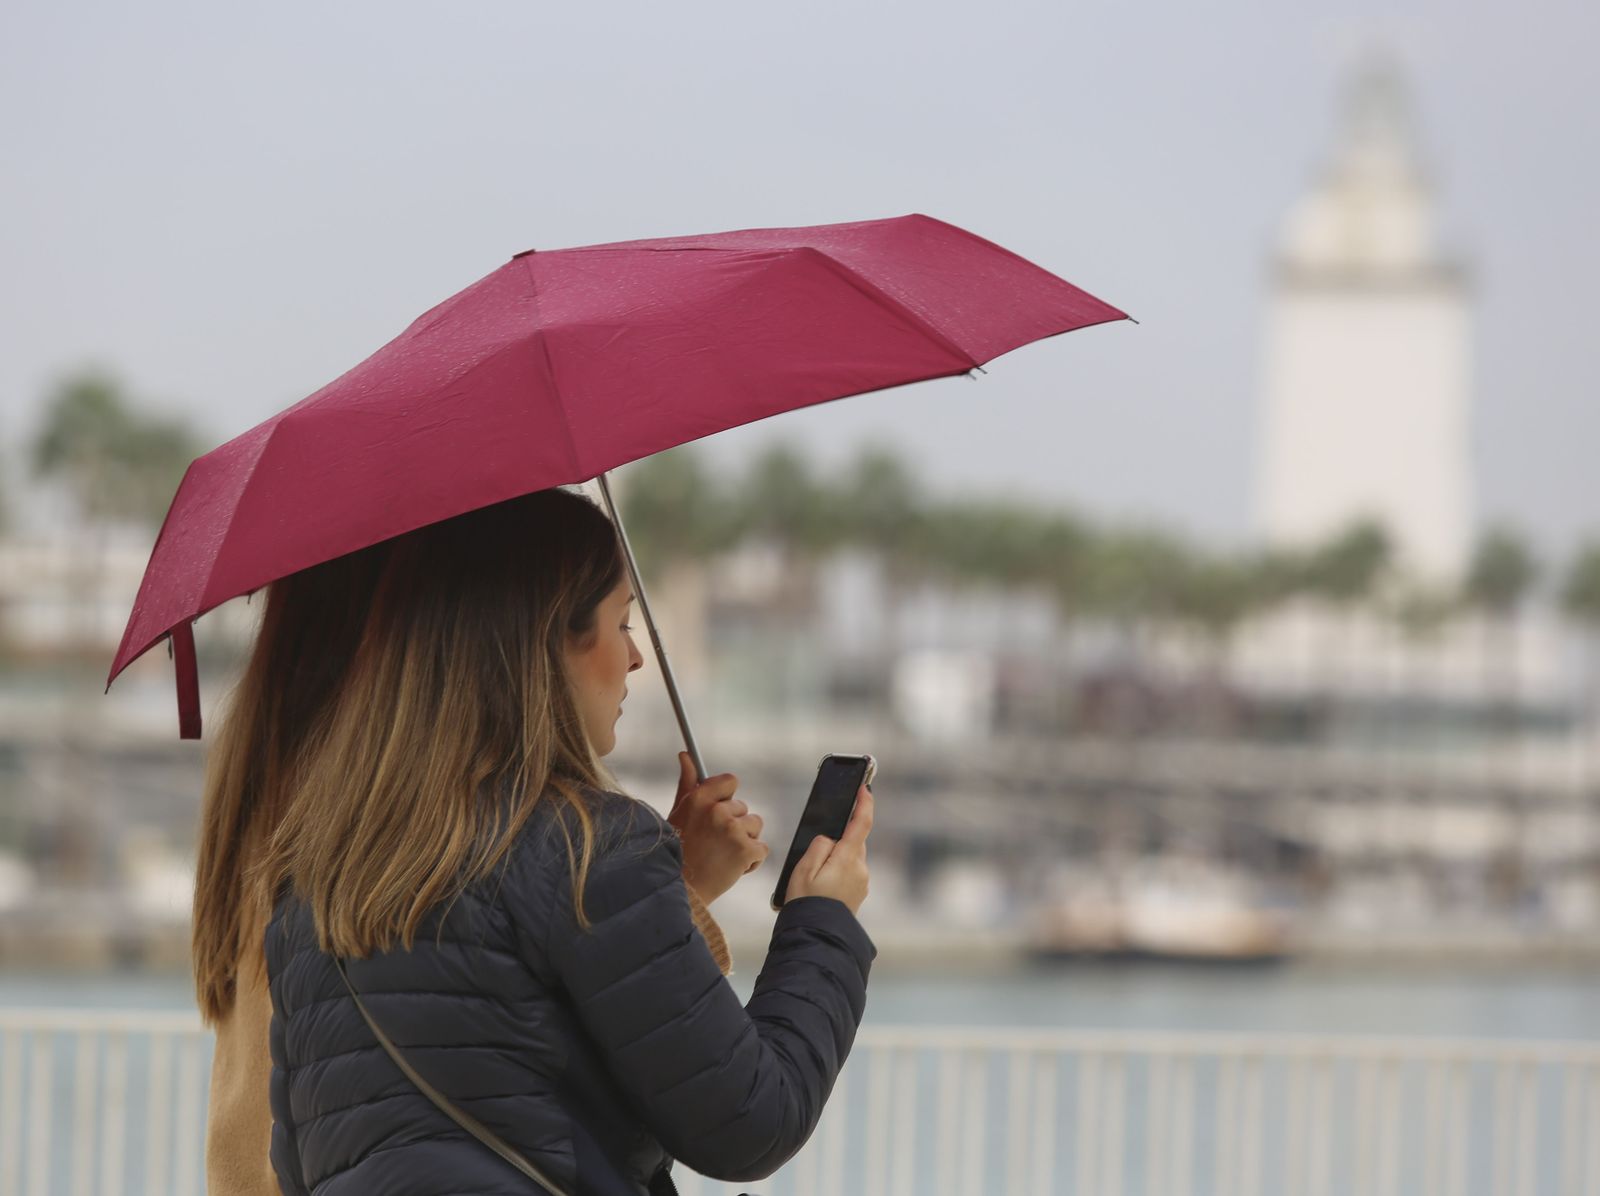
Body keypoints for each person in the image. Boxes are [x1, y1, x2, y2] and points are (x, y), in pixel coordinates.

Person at [248, 487, 875, 1195]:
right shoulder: (593, 847)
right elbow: (750, 1122)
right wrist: (822, 920)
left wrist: (677, 887)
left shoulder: (315, 874)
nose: (636, 658)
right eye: (623, 622)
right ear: (553, 638)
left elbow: (303, 1165)